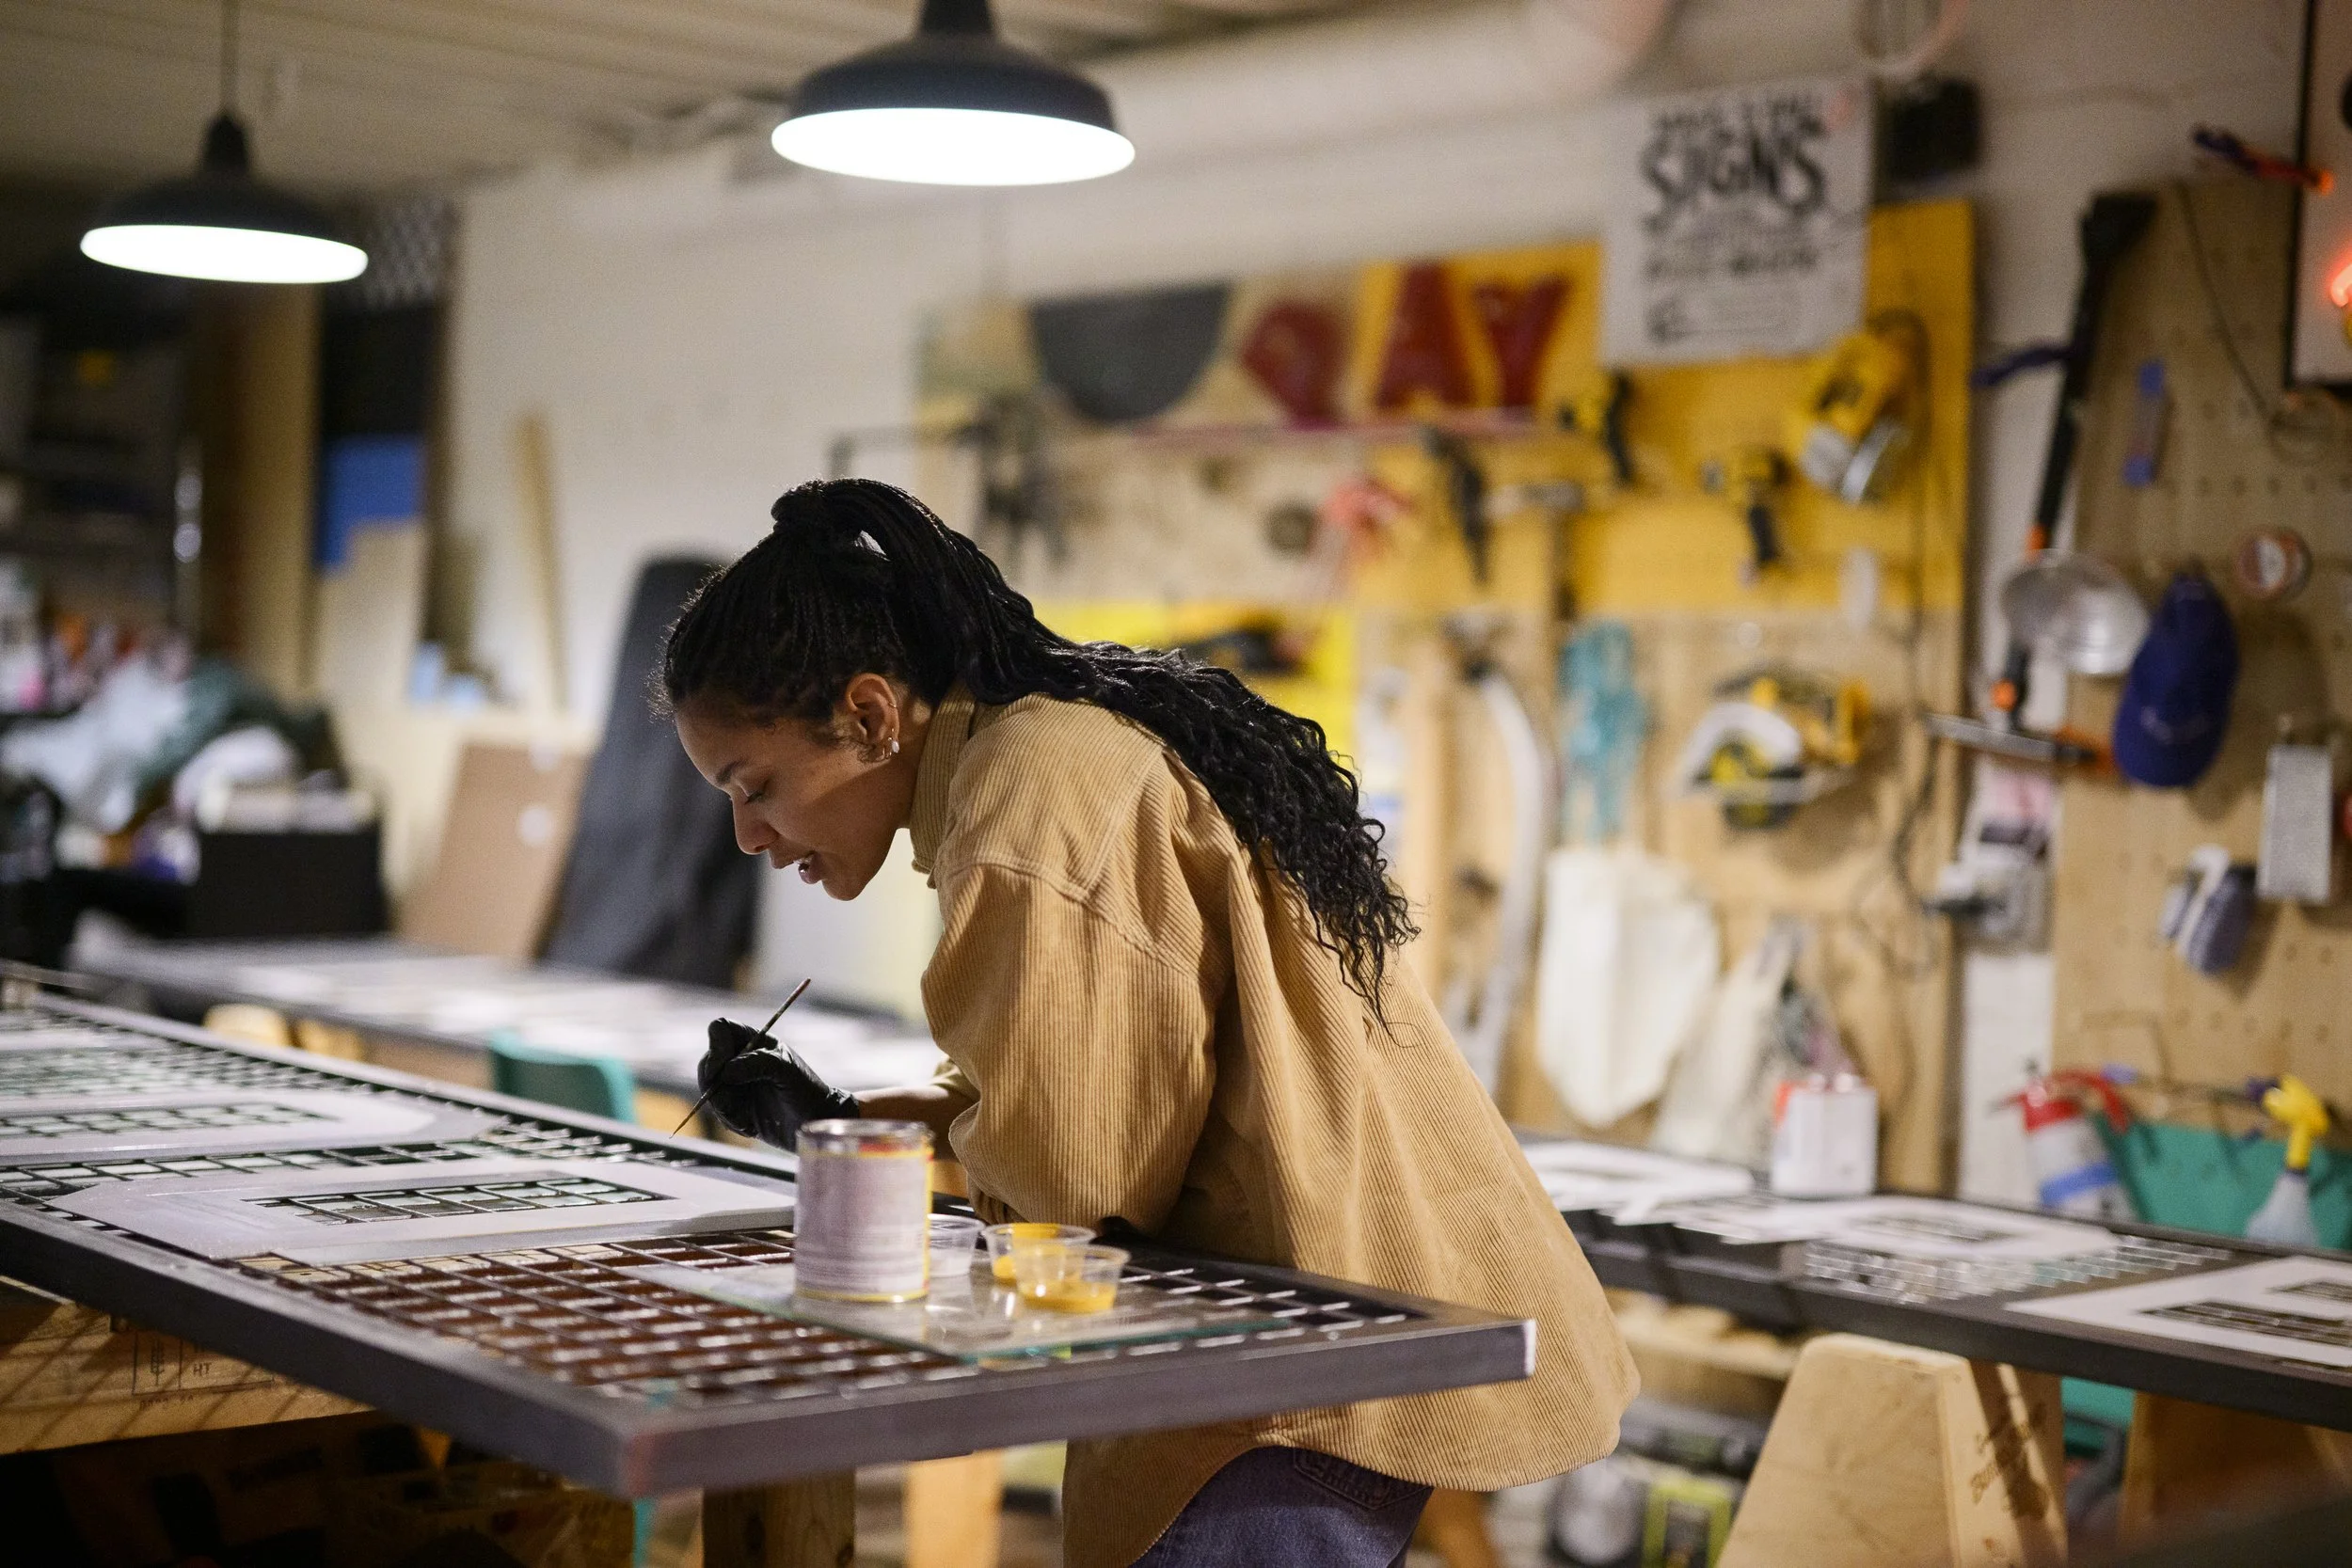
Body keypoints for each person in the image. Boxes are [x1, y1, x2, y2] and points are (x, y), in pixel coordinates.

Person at [662, 479, 1634, 1568]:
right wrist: (844, 1122)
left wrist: (891, 1164)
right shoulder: (1036, 759)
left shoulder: (1022, 803)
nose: (747, 835)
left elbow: (1073, 1195)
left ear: (873, 714)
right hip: (1304, 1323)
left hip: (1288, 1370)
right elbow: (1106, 1093)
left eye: (756, 785)